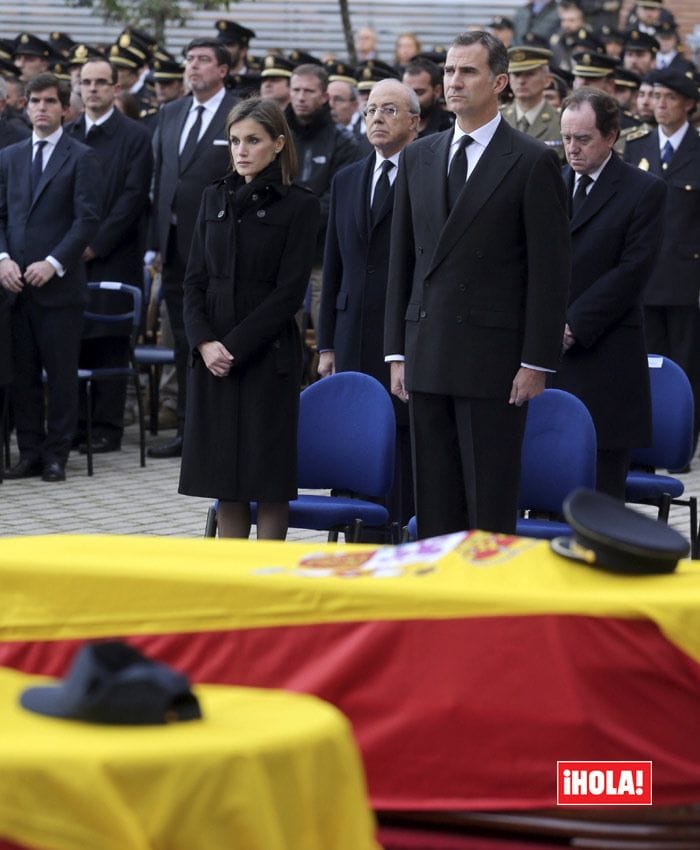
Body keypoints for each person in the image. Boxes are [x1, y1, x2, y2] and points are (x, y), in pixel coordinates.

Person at [384, 30, 570, 538]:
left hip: (494, 361)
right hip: (426, 350)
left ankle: (490, 611)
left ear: (501, 82)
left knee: (487, 508)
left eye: (468, 71)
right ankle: (440, 609)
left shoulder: (532, 161)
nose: (454, 82)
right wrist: (396, 352)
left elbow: (550, 275)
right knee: (435, 509)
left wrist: (536, 362)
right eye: (448, 71)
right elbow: (402, 261)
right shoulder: (420, 156)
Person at [178, 97, 320, 539]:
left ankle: (269, 580)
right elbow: (194, 281)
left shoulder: (299, 204)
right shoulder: (213, 196)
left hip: (265, 357)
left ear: (278, 144)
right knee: (227, 484)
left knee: (268, 480)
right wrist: (204, 343)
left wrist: (233, 347)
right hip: (213, 356)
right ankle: (232, 581)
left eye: (253, 141)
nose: (241, 150)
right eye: (235, 140)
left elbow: (289, 293)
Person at [553, 88, 666, 498]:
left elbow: (632, 271)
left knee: (600, 495)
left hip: (605, 358)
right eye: (566, 138)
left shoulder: (643, 189)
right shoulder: (552, 182)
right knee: (546, 484)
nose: (572, 148)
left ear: (611, 135)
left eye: (582, 139)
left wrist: (573, 325)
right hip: (550, 358)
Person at [318, 79, 419, 527]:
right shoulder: (347, 179)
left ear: (415, 123)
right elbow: (332, 264)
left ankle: (395, 534)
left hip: (402, 333)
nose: (376, 118)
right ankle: (350, 540)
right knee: (350, 434)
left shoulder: (427, 175)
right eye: (371, 110)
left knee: (397, 439)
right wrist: (325, 344)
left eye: (390, 110)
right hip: (351, 329)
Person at [0, 72, 101, 482]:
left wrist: (54, 263)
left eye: (49, 102)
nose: (41, 109)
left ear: (65, 109)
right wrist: (4, 258)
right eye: (34, 102)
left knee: (60, 376)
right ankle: (30, 450)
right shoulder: (10, 156)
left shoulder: (81, 157)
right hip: (15, 287)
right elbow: (2, 216)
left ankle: (57, 453)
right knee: (22, 376)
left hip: (58, 288)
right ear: (25, 107)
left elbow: (86, 220)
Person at [148, 38, 237, 459]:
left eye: (203, 59)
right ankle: (188, 428)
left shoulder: (237, 111)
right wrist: (155, 245)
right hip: (174, 249)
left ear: (223, 69)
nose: (193, 66)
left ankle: (217, 431)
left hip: (219, 249)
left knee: (214, 338)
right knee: (183, 341)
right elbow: (162, 181)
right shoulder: (170, 113)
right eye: (189, 59)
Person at [67, 57, 153, 455]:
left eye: (102, 82)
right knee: (75, 339)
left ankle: (107, 427)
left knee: (109, 340)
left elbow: (132, 198)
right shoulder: (69, 133)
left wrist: (94, 243)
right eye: (87, 82)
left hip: (113, 254)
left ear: (116, 88)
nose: (93, 89)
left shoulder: (135, 136)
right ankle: (78, 423)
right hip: (68, 259)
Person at [623, 68, 700, 454]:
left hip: (687, 275)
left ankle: (682, 442)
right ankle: (647, 442)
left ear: (689, 103)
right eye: (656, 97)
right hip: (645, 274)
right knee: (647, 362)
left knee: (685, 365)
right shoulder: (637, 146)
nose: (661, 104)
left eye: (670, 98)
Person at [285, 63, 360, 330]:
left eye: (308, 90)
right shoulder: (278, 136)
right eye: (296, 89)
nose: (301, 97)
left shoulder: (344, 141)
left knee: (324, 328)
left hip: (323, 253)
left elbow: (340, 196)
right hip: (282, 253)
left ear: (325, 96)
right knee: (280, 327)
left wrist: (297, 219)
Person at [502, 46, 564, 159]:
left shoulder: (560, 122)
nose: (521, 81)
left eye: (529, 74)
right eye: (516, 74)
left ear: (547, 80)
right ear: (509, 79)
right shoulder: (497, 119)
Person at [402, 57, 453, 137]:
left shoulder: (450, 128)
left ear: (437, 91)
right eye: (406, 92)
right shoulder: (394, 126)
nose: (411, 100)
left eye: (419, 93)